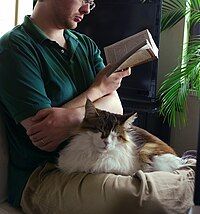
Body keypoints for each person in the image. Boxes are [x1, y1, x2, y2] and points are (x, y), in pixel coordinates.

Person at [0, 0, 195, 213]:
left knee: (158, 181)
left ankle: (189, 174)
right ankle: (190, 174)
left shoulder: (85, 44)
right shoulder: (15, 47)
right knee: (143, 198)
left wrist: (69, 118)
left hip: (95, 160)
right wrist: (98, 90)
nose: (86, 9)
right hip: (43, 175)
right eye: (83, 0)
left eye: (90, 3)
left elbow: (116, 108)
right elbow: (45, 133)